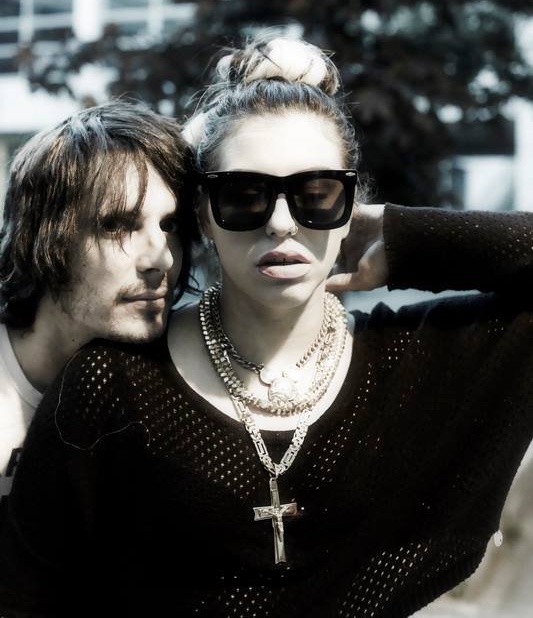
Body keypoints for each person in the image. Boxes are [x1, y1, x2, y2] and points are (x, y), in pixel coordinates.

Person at [1, 37, 533, 618]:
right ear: (203, 214)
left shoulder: (421, 361)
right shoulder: (110, 380)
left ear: (351, 205)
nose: (281, 223)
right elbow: (27, 597)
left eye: (317, 193)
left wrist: (408, 238)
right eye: (245, 195)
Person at [0, 100, 191, 506]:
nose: (161, 259)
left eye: (169, 225)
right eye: (116, 226)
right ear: (44, 238)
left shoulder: (191, 364)